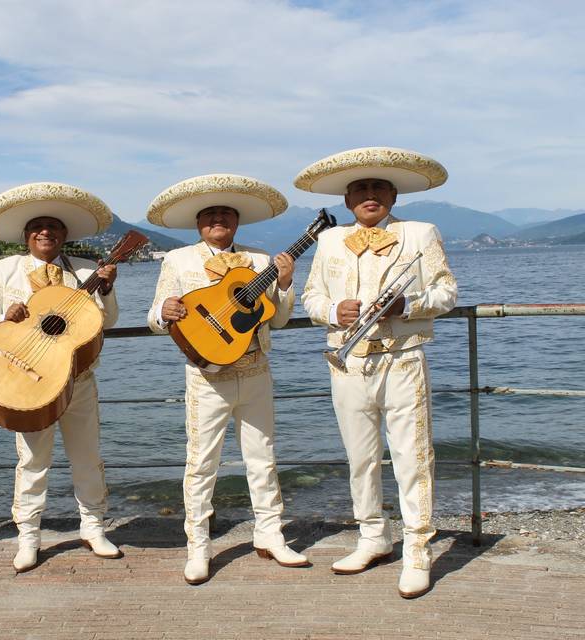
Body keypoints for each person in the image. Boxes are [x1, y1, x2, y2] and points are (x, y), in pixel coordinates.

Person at [296, 147, 458, 598]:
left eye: (379, 188)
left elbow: (446, 291)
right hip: (347, 361)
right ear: (348, 200)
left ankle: (418, 550)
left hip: (403, 357)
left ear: (394, 196)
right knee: (360, 458)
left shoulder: (421, 233)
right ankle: (373, 537)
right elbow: (310, 299)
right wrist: (333, 309)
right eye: (361, 190)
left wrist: (409, 304)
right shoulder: (327, 241)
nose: (370, 195)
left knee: (412, 457)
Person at [145, 174, 308, 585]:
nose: (219, 219)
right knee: (201, 463)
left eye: (226, 213)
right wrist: (165, 312)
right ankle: (198, 547)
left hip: (256, 370)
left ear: (237, 221)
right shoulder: (177, 261)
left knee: (263, 457)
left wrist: (285, 284)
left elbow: (280, 318)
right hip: (206, 377)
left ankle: (270, 534)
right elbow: (153, 319)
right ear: (198, 223)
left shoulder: (259, 259)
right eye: (210, 214)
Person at [0, 182, 122, 572]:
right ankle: (28, 537)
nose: (45, 233)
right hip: (29, 380)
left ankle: (94, 528)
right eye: (37, 227)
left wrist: (105, 290)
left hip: (79, 379)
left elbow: (108, 320)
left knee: (87, 458)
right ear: (26, 235)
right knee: (32, 461)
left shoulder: (85, 270)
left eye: (53, 227)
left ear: (64, 234)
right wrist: (5, 318)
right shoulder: (6, 270)